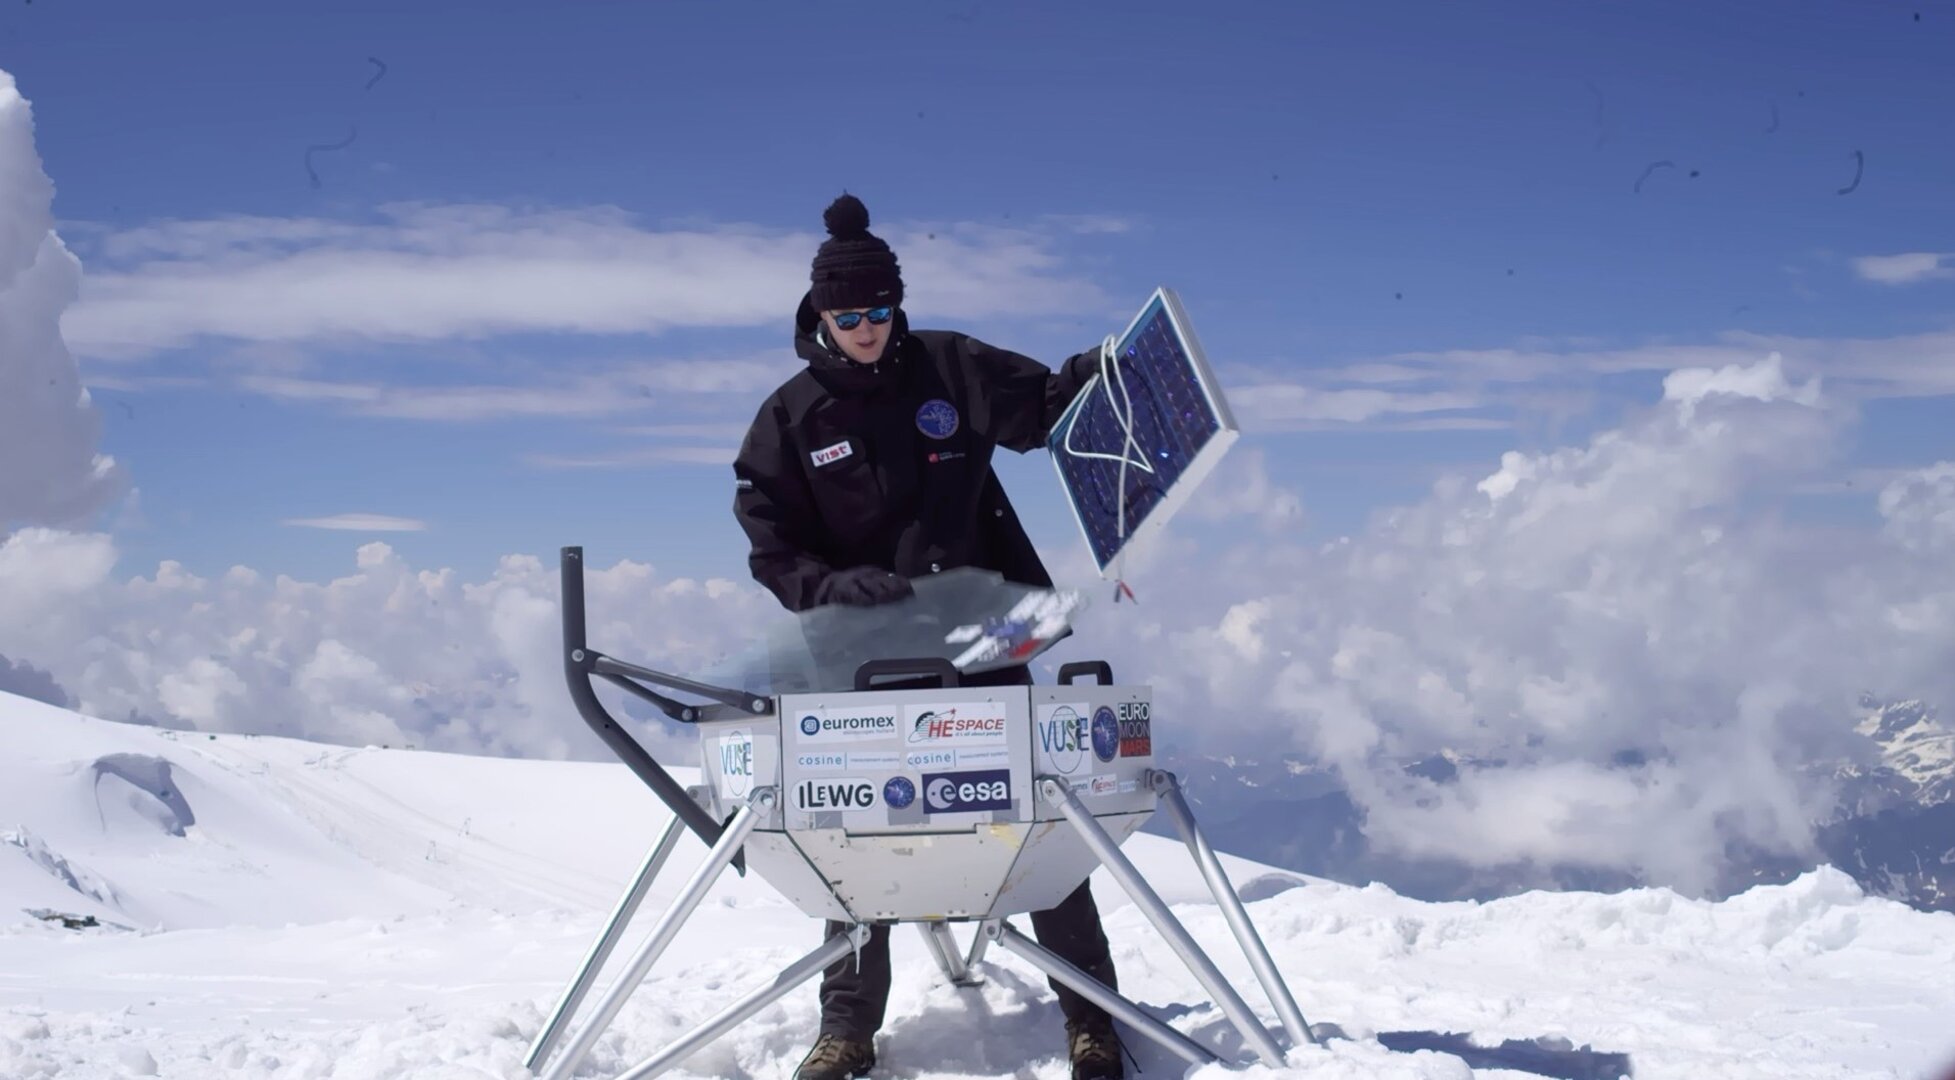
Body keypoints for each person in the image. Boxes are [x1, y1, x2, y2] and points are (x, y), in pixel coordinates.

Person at [731, 193, 1126, 1080]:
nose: (866, 328)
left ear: (894, 304)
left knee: (1034, 824)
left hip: (985, 638)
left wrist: (1099, 373)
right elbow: (770, 543)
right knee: (853, 839)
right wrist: (832, 585)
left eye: (878, 310)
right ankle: (845, 1031)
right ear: (819, 315)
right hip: (860, 658)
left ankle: (1092, 1019)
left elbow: (1046, 411)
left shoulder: (951, 366)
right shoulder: (790, 419)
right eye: (847, 314)